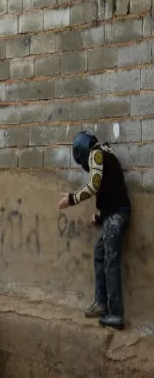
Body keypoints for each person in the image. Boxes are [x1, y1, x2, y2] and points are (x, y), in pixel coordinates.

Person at [59, 131, 132, 330]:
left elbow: (94, 185)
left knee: (110, 261)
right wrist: (99, 216)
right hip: (115, 213)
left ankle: (116, 315)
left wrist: (72, 199)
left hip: (116, 216)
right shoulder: (105, 153)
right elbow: (112, 193)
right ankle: (101, 304)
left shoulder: (96, 155)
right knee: (100, 253)